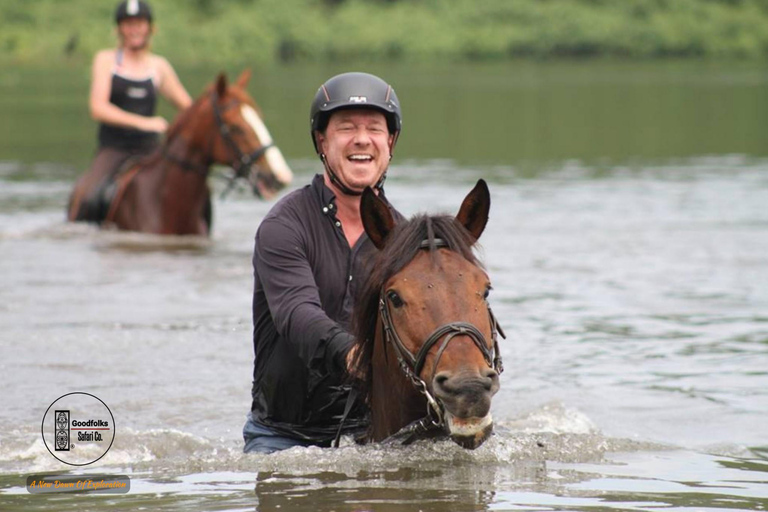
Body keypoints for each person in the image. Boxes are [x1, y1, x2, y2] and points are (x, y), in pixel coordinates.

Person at [243, 72, 404, 453]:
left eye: (374, 129)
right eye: (346, 127)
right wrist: (352, 352)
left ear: (390, 142)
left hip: (376, 438)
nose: (362, 138)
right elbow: (296, 312)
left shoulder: (404, 238)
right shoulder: (283, 225)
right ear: (322, 141)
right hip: (284, 439)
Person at [68, 0, 192, 222]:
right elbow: (98, 108)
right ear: (119, 29)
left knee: (192, 186)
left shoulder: (159, 66)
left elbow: (189, 109)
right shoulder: (106, 60)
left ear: (150, 28)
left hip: (151, 149)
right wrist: (143, 122)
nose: (134, 29)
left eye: (140, 23)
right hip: (113, 148)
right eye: (128, 23)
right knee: (86, 195)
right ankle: (77, 232)